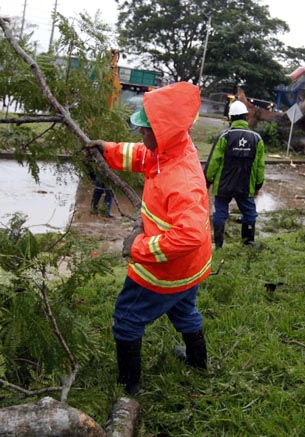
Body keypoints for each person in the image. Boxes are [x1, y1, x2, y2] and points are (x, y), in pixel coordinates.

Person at [85, 81, 213, 395]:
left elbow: (190, 234)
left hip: (168, 267)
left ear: (164, 132)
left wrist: (139, 247)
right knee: (184, 310)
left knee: (127, 317)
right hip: (190, 268)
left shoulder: (181, 180)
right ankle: (198, 363)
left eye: (145, 130)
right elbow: (143, 156)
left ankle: (128, 388)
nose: (140, 134)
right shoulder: (171, 149)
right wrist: (109, 151)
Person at [205, 100, 265, 248]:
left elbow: (213, 161)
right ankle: (248, 242)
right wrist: (258, 185)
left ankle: (218, 244)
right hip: (245, 185)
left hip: (223, 184)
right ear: (245, 117)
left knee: (220, 213)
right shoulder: (256, 139)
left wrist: (207, 181)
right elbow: (260, 166)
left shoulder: (224, 136)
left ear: (230, 118)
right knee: (250, 213)